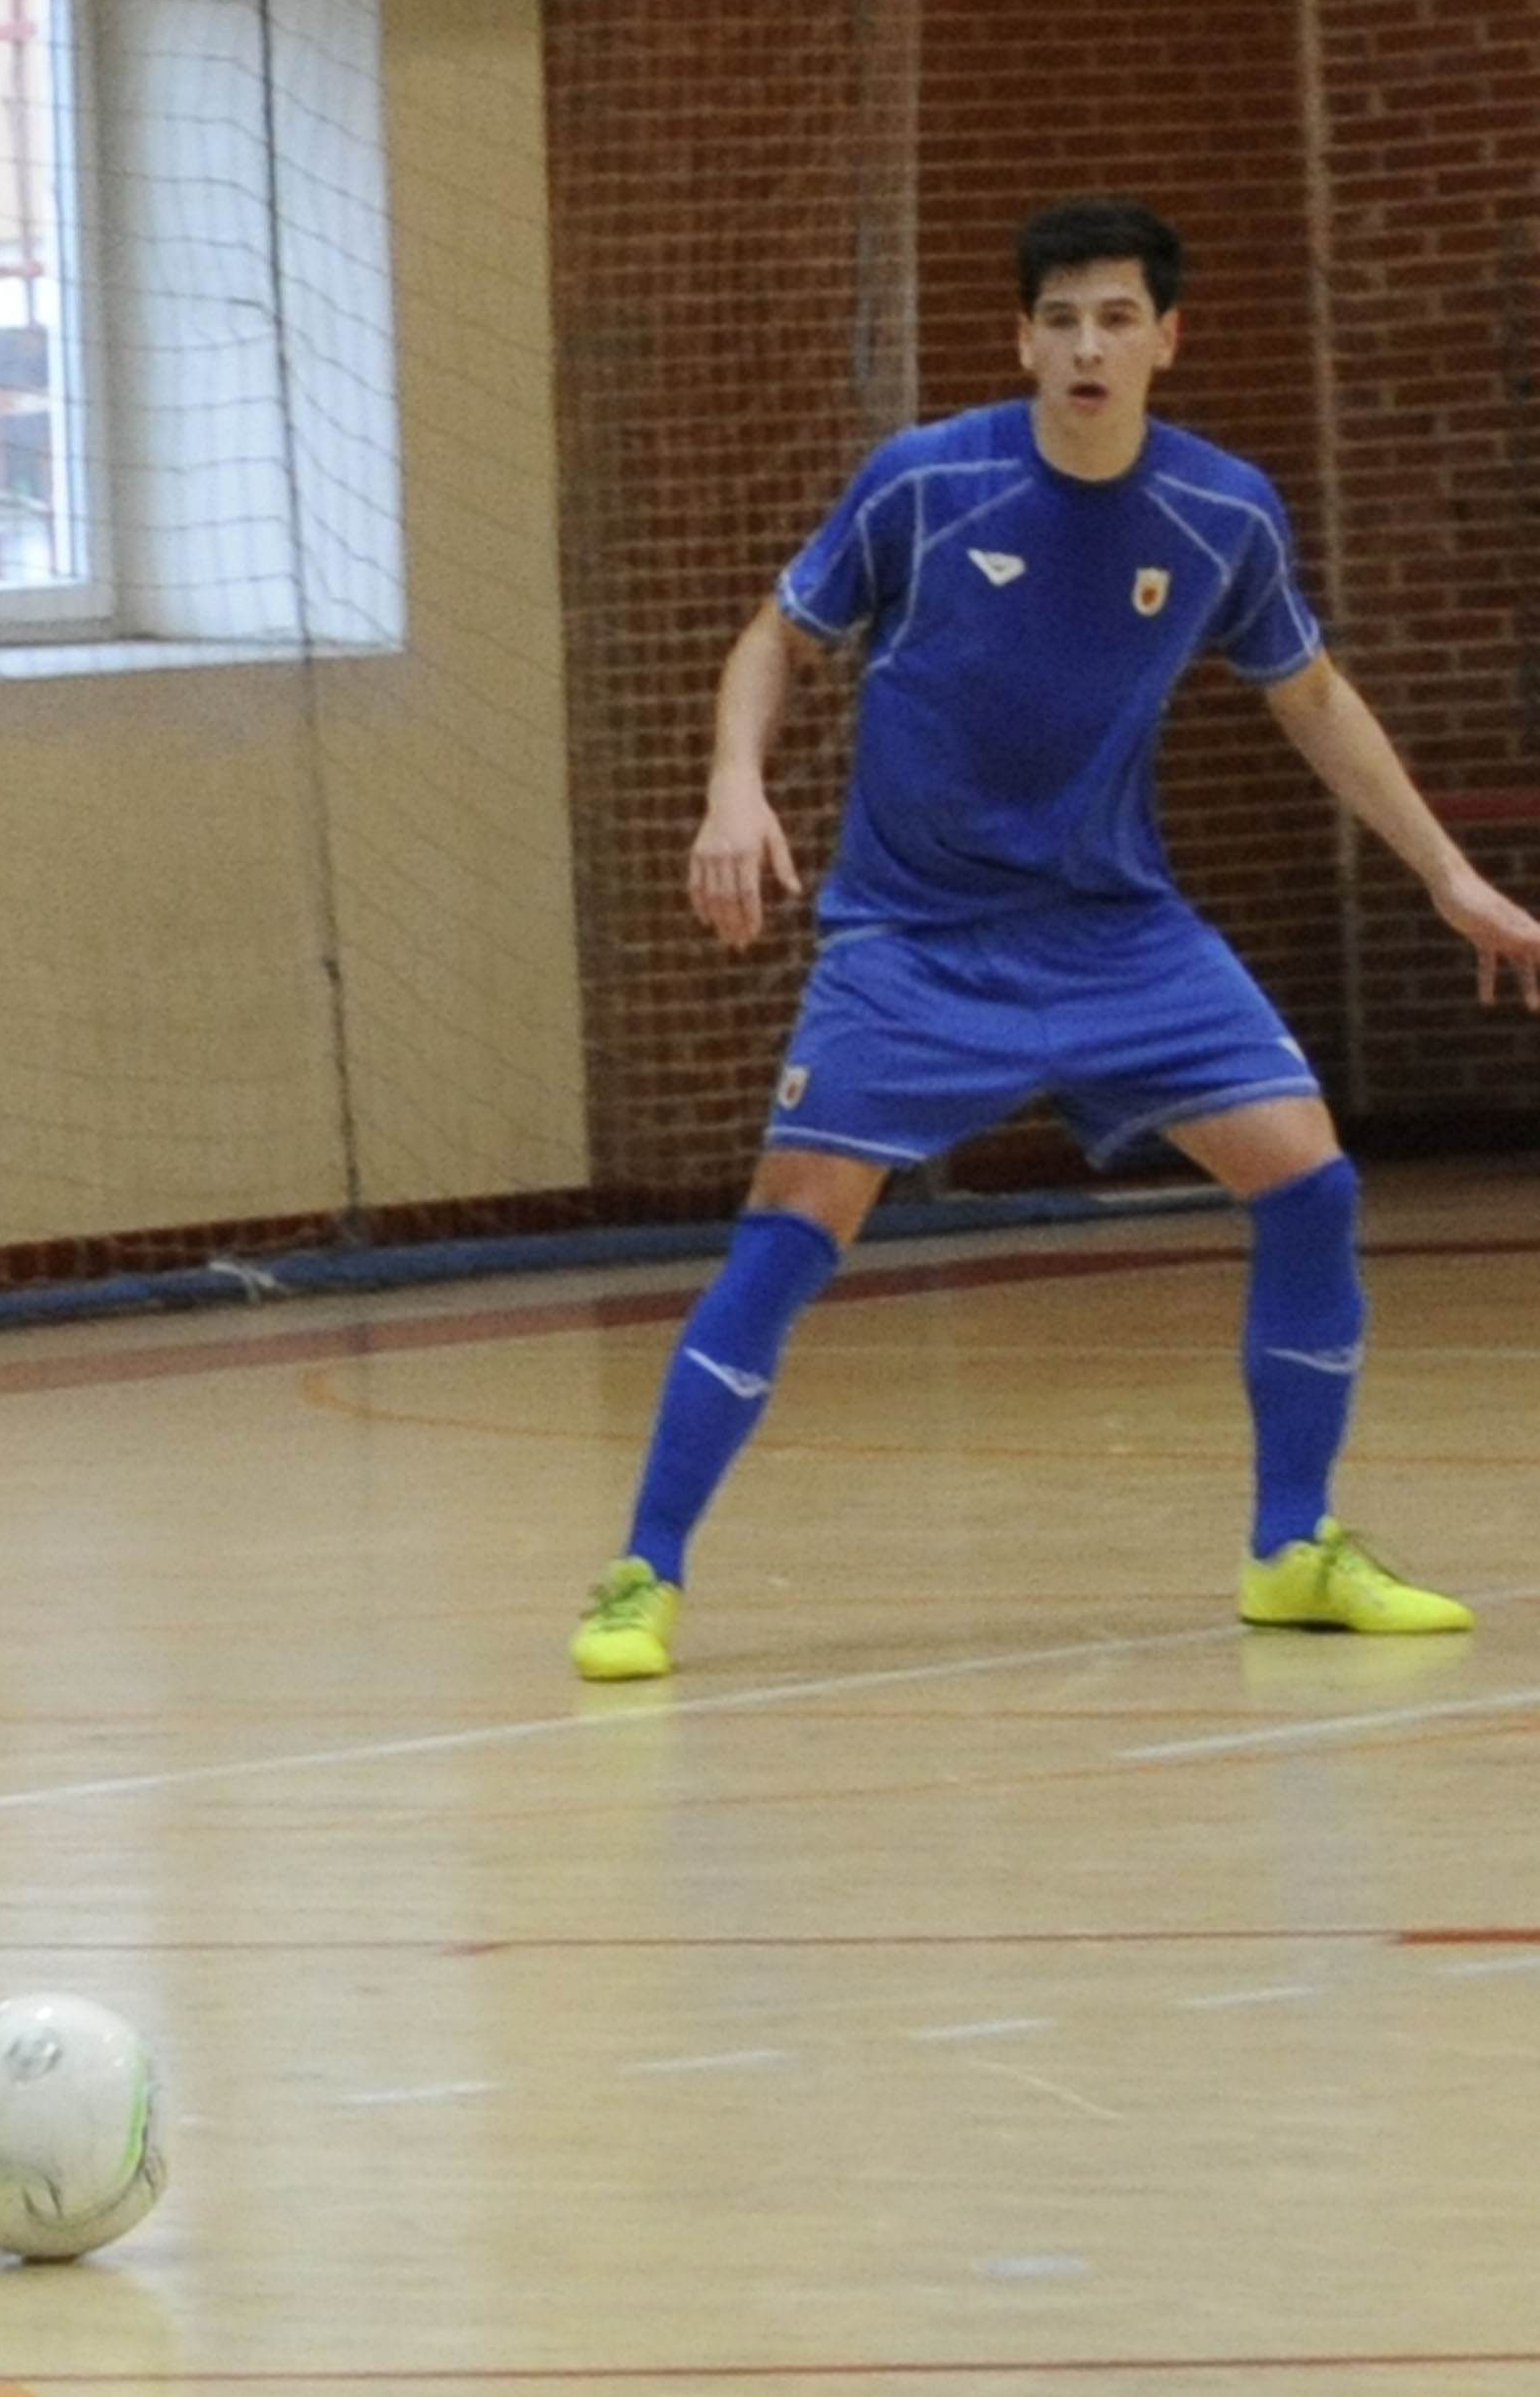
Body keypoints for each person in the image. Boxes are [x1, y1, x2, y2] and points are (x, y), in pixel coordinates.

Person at [568, 196, 1540, 1683]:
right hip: (913, 938)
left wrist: (1450, 878)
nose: (1089, 346)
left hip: (1117, 933)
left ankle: (1292, 1550)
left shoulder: (1224, 512)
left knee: (1313, 1184)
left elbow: (1315, 699)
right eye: (1063, 319)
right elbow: (778, 636)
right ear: (1022, 339)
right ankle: (645, 1572)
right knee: (794, 1223)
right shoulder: (923, 483)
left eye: (1118, 318)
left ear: (1166, 338)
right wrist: (731, 785)